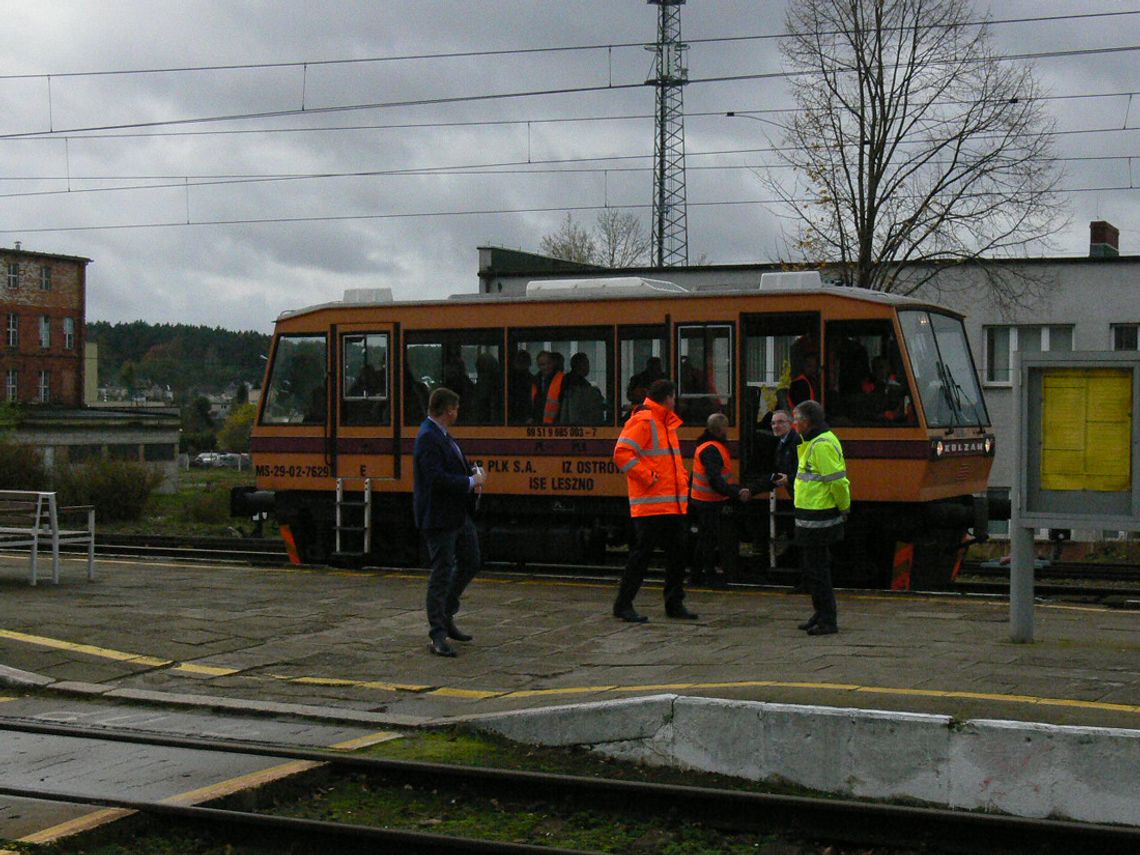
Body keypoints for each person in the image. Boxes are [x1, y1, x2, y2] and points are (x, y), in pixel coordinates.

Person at [611, 379, 697, 622]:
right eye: (674, 397)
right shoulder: (645, 420)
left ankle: (674, 603)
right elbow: (621, 453)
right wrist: (649, 478)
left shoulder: (664, 423)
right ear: (668, 397)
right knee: (642, 556)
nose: (676, 401)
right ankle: (623, 604)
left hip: (670, 503)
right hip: (651, 504)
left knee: (677, 556)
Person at [413, 387, 488, 657]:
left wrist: (471, 472)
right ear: (447, 410)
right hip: (440, 516)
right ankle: (438, 634)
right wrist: (470, 481)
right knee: (441, 572)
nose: (458, 413)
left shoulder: (443, 436)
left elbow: (450, 469)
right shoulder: (428, 438)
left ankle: (446, 613)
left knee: (471, 561)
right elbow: (435, 479)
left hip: (457, 514)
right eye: (455, 408)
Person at [791, 400, 850, 636]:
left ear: (807, 422)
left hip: (819, 517)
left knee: (818, 571)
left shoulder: (822, 444)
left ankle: (828, 619)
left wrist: (844, 507)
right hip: (810, 516)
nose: (794, 424)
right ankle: (820, 613)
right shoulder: (813, 441)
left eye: (796, 420)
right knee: (812, 569)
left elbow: (837, 481)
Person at [688, 413, 751, 588]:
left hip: (705, 499)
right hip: (708, 501)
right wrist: (735, 493)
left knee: (705, 539)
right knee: (707, 540)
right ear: (721, 429)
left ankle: (697, 575)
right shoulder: (712, 449)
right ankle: (706, 576)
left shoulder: (708, 445)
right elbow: (715, 479)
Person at [561, 352, 605, 425]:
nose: (588, 366)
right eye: (586, 364)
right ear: (579, 366)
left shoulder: (569, 381)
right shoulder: (575, 386)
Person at [531, 350, 565, 424]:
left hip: (557, 426)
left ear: (553, 363)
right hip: (537, 425)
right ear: (538, 366)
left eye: (549, 363)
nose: (546, 367)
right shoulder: (534, 381)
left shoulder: (563, 379)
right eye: (542, 364)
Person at [508, 349, 534, 424]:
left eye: (523, 361)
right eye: (519, 361)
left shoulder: (508, 380)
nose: (521, 365)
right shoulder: (510, 380)